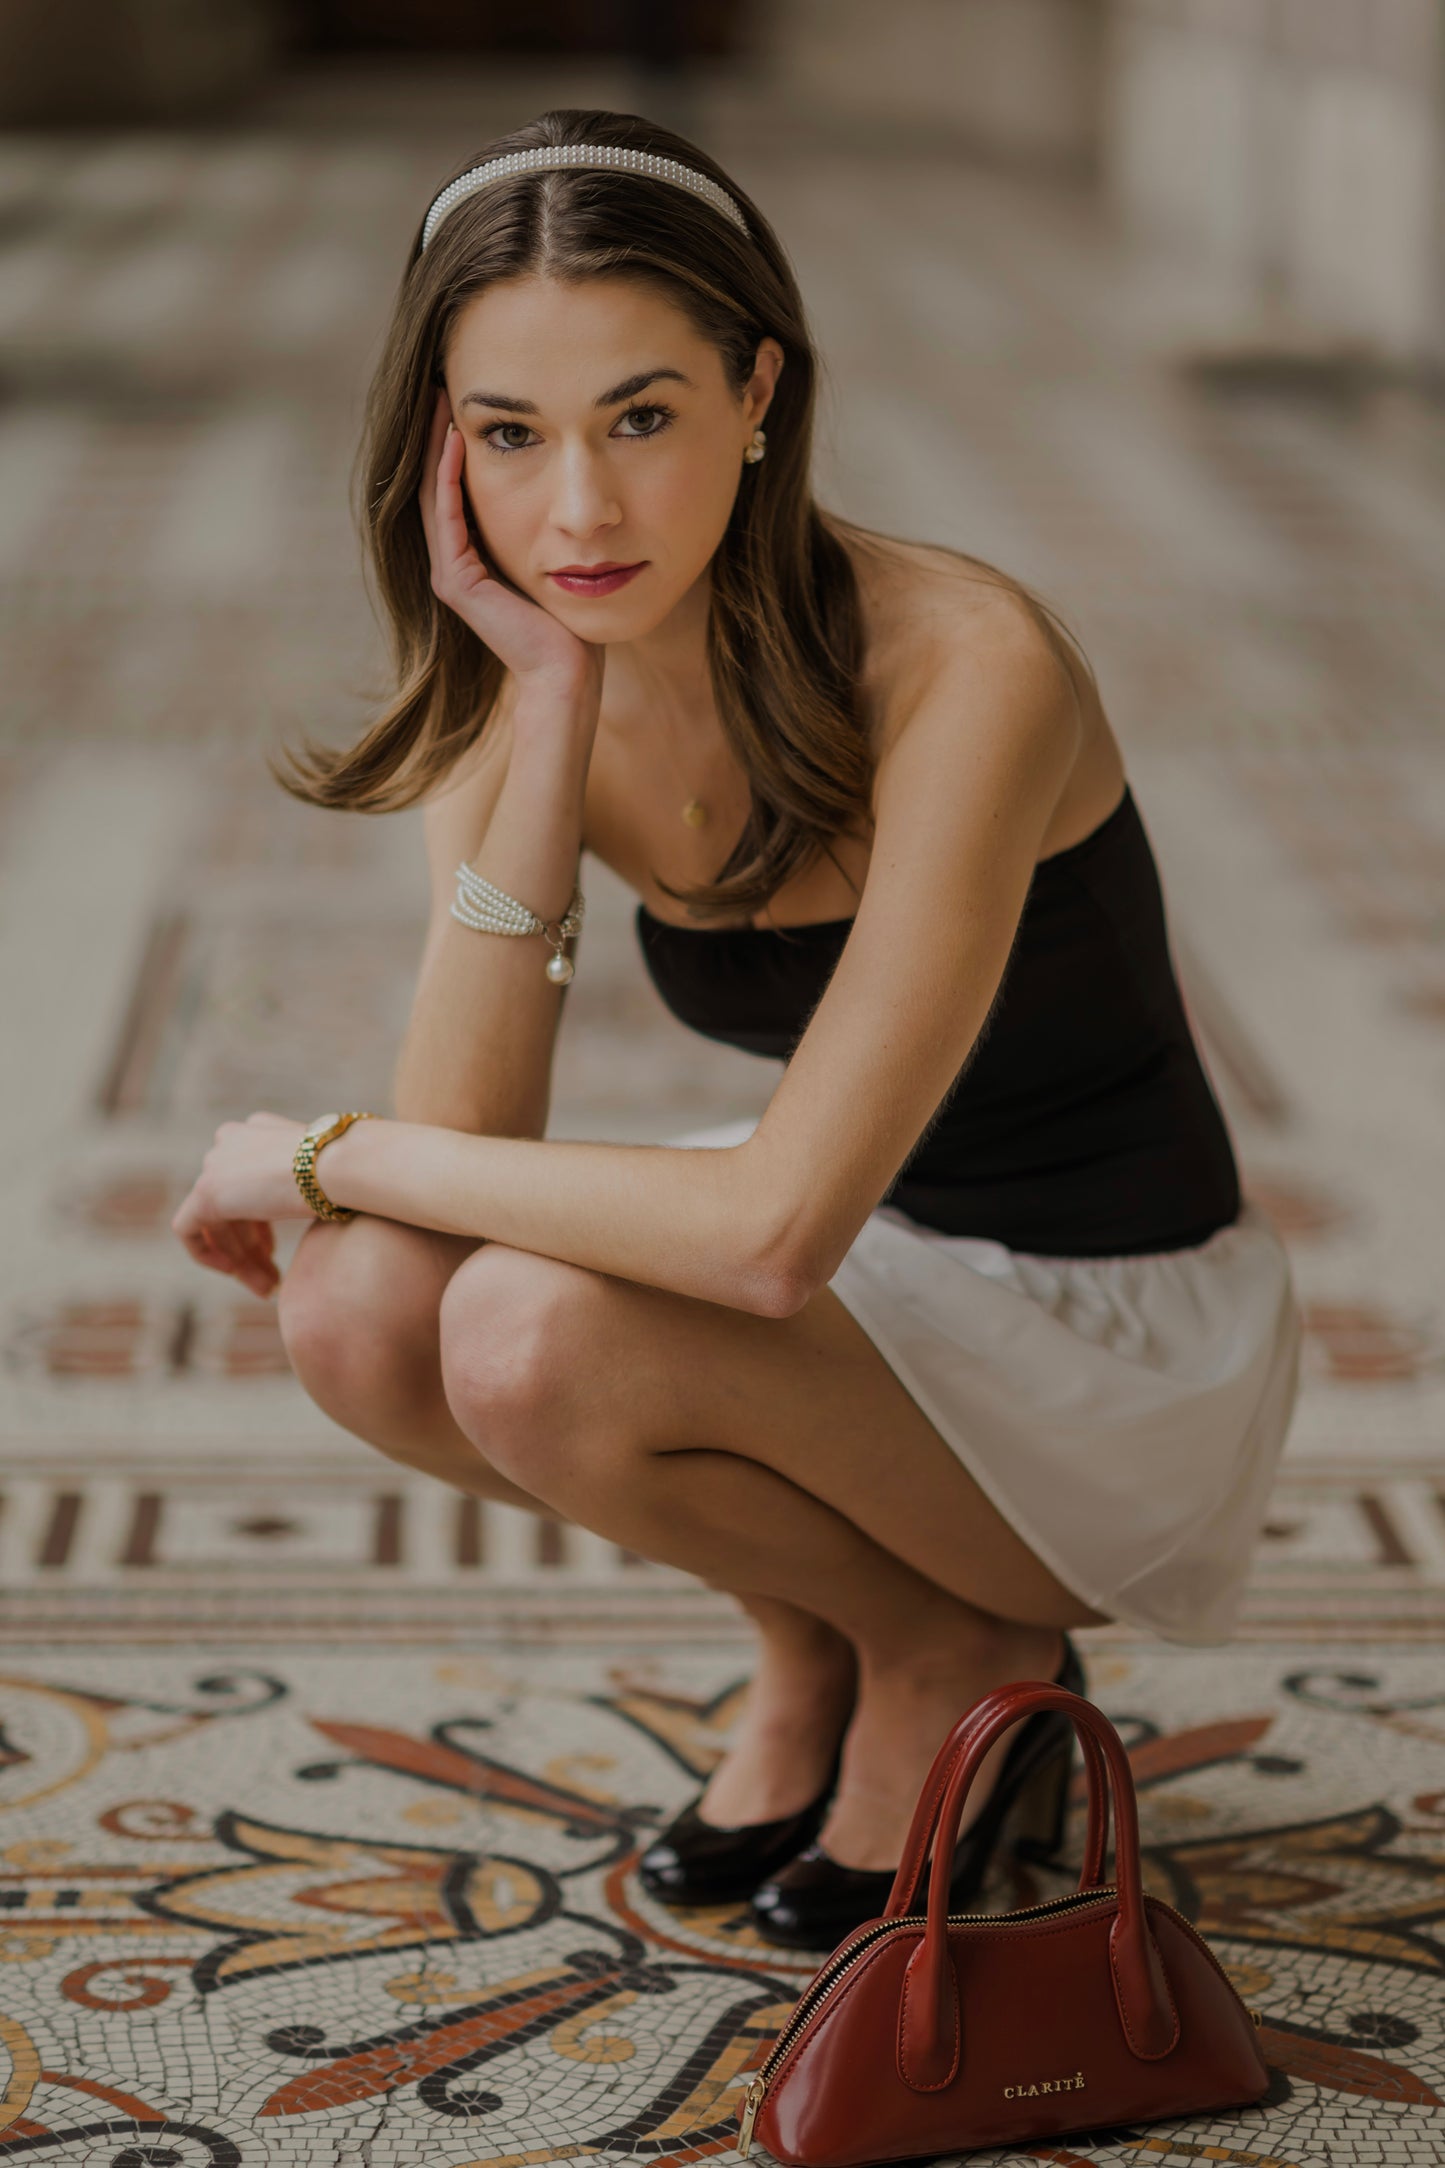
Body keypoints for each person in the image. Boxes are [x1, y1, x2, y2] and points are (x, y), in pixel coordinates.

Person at [170, 110, 1303, 1953]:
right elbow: (460, 1163)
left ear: (756, 389)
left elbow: (772, 1241)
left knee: (522, 1327)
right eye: (509, 435)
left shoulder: (966, 663)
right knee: (363, 1303)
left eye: (640, 417)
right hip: (883, 1282)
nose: (579, 514)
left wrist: (315, 1149)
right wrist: (548, 713)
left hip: (1100, 1325)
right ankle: (839, 1637)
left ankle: (956, 1646)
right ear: (440, 440)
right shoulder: (522, 665)